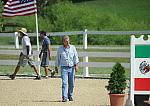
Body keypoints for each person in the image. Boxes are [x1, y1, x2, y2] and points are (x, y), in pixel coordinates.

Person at [55, 35, 79, 102]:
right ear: (63, 42)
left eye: (68, 41)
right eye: (66, 41)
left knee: (72, 83)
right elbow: (57, 58)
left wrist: (76, 65)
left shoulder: (73, 47)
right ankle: (64, 97)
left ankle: (70, 95)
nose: (67, 42)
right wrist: (56, 66)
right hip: (64, 68)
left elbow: (75, 57)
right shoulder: (60, 49)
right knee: (64, 83)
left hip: (71, 67)